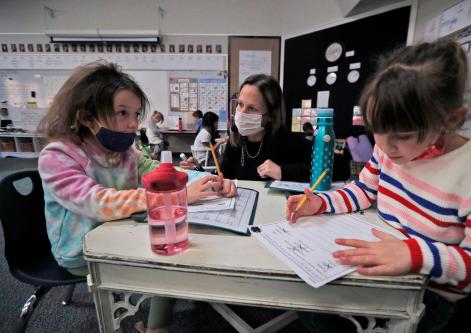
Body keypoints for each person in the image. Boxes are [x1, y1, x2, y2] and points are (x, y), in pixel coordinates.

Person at [286, 38, 471, 332]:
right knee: (305, 299)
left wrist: (413, 255)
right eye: (377, 130)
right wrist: (322, 203)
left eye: (403, 134)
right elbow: (364, 190)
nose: (385, 146)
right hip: (383, 265)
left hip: (431, 292)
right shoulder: (387, 148)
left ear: (451, 120)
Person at [37, 62, 236, 333]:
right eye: (122, 113)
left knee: (175, 244)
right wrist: (178, 196)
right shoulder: (57, 156)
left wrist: (205, 181)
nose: (133, 123)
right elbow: (98, 202)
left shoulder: (124, 152)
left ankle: (158, 324)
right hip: (82, 252)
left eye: (135, 113)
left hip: (123, 232)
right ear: (86, 117)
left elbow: (161, 171)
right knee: (169, 256)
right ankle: (158, 325)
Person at [181, 74, 312, 182]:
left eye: (252, 108)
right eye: (240, 104)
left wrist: (283, 172)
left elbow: (328, 168)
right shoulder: (236, 140)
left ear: (271, 115)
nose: (242, 113)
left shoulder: (286, 140)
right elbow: (223, 178)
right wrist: (198, 170)